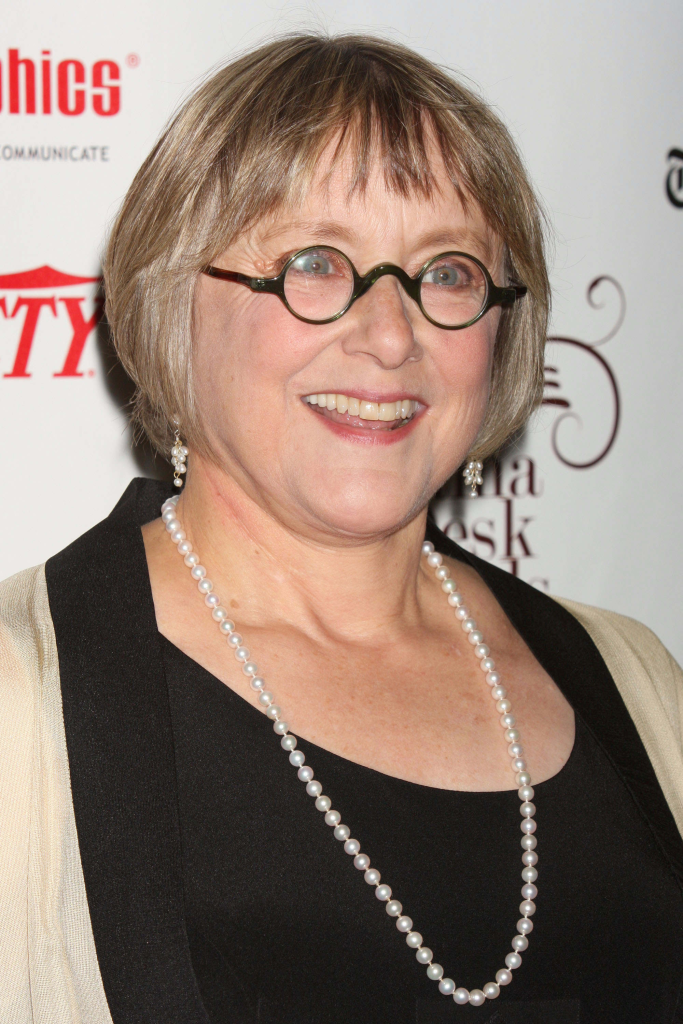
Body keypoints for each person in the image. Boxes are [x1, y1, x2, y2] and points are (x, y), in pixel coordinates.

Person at [1, 34, 682, 1024]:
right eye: (316, 262)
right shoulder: (22, 699)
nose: (393, 333)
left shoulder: (637, 682)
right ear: (171, 293)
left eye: (446, 272)